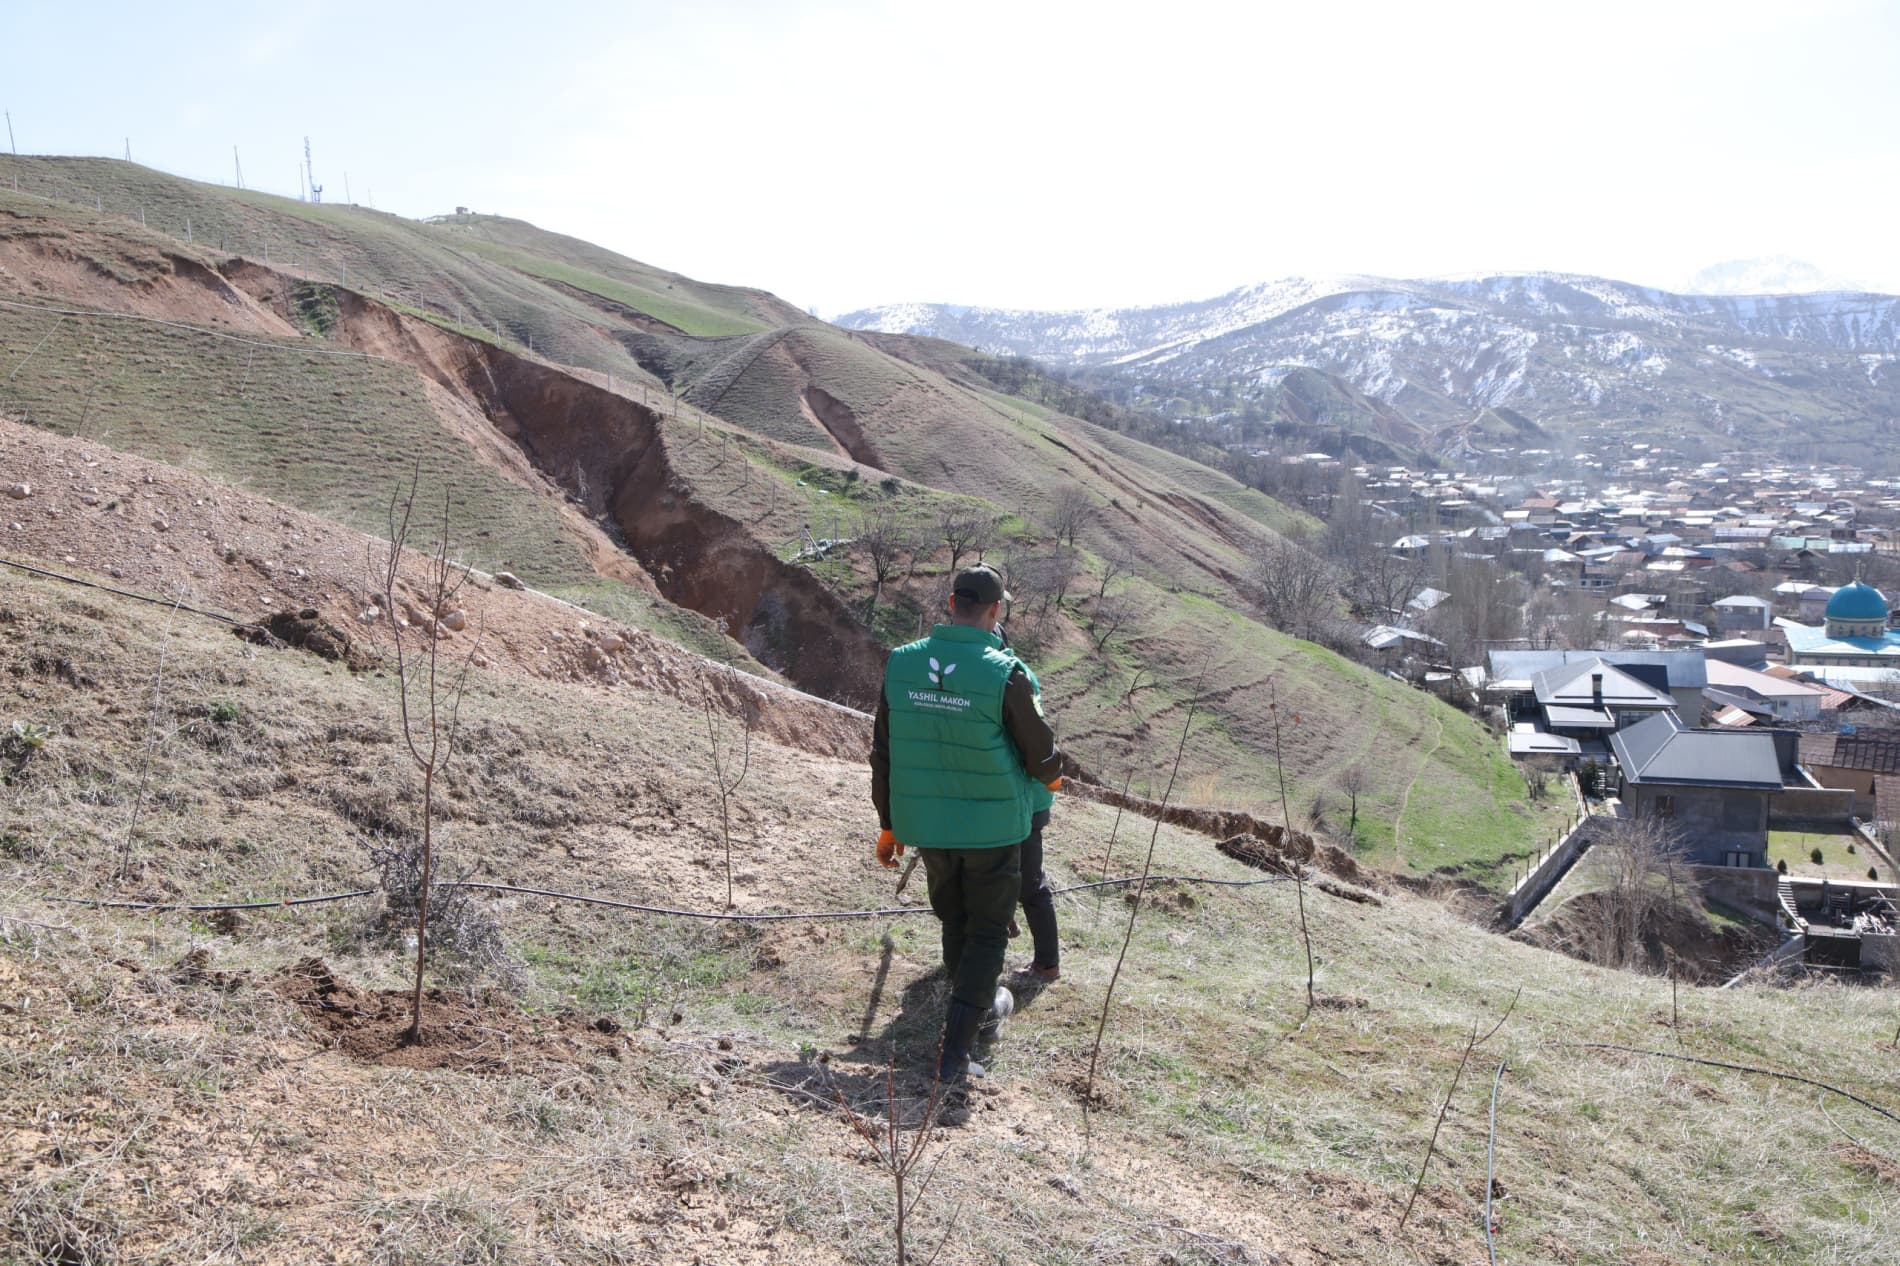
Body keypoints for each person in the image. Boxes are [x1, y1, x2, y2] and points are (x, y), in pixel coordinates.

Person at [870, 564, 1063, 1082]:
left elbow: (884, 751)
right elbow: (1041, 753)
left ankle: (971, 1010)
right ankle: (957, 1049)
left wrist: (889, 824)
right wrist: (1052, 777)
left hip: (928, 826)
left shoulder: (901, 663)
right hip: (993, 827)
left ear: (951, 603)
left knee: (955, 919)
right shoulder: (1005, 671)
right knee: (987, 932)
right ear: (995, 611)